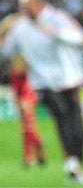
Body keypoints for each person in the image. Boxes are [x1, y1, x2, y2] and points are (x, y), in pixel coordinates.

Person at [0, 0, 83, 185]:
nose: (24, 9)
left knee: (78, 127)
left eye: (28, 5)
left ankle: (75, 162)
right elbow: (5, 51)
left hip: (69, 80)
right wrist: (3, 32)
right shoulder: (19, 28)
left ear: (38, 3)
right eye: (23, 6)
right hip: (44, 83)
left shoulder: (56, 18)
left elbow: (80, 38)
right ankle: (71, 160)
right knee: (62, 116)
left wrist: (54, 33)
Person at [0, 16, 48, 169]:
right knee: (24, 121)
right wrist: (10, 22)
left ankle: (33, 152)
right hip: (16, 78)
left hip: (28, 79)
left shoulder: (32, 30)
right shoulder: (15, 29)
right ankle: (31, 152)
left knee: (28, 120)